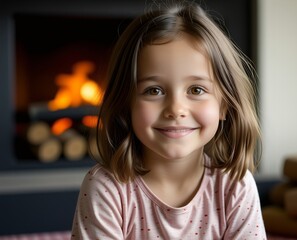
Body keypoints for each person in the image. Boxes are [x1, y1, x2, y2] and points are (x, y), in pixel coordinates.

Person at [71, 1, 266, 239]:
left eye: (196, 90)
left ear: (224, 105)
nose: (176, 109)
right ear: (125, 104)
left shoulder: (235, 186)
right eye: (154, 91)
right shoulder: (106, 187)